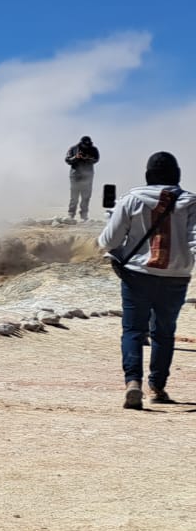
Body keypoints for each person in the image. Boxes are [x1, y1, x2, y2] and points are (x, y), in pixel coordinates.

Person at [99, 151, 196, 409]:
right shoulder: (190, 201)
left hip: (136, 275)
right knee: (164, 333)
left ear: (148, 174)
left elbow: (108, 241)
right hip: (176, 276)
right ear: (177, 174)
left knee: (133, 329)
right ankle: (158, 386)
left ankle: (133, 383)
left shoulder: (131, 200)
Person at [66, 135, 100, 220]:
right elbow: (67, 159)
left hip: (87, 175)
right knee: (74, 196)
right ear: (81, 143)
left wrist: (87, 158)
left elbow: (96, 159)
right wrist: (76, 157)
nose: (86, 147)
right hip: (75, 175)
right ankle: (71, 214)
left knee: (86, 196)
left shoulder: (93, 149)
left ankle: (84, 214)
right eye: (85, 145)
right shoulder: (73, 148)